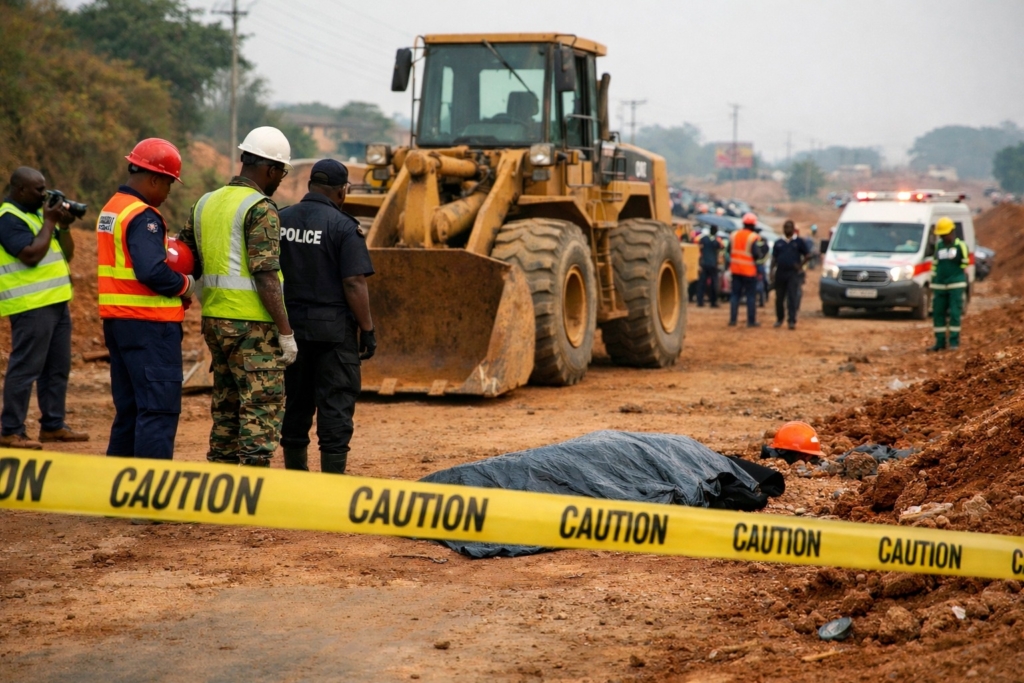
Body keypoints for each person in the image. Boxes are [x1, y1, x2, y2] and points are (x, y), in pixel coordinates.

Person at [178, 126, 298, 467]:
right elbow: (266, 274)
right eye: (281, 173)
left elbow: (186, 257)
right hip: (253, 326)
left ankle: (222, 476)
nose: (279, 180)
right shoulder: (260, 208)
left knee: (227, 403)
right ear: (271, 169)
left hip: (215, 322)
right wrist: (285, 332)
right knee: (262, 403)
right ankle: (253, 484)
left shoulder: (205, 203)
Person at [278, 160, 376, 474]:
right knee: (335, 405)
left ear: (310, 185)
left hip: (289, 330)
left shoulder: (280, 219)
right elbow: (354, 282)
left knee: (295, 404)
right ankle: (331, 484)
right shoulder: (343, 226)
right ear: (342, 190)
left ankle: (297, 481)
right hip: (334, 335)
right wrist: (368, 329)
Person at [98, 139, 194, 460]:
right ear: (154, 178)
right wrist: (185, 285)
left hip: (118, 323)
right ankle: (151, 498)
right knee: (158, 411)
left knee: (129, 410)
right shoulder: (144, 216)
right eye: (168, 184)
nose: (168, 193)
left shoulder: (112, 208)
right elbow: (151, 271)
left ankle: (119, 494)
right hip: (149, 327)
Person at [0, 167, 87, 449]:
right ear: (19, 190)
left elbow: (68, 253)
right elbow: (30, 256)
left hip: (56, 303)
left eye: (44, 188)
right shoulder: (8, 218)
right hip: (31, 306)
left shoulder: (37, 215)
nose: (44, 194)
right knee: (26, 368)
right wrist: (50, 222)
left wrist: (62, 225)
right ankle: (11, 430)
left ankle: (53, 425)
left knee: (57, 367)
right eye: (38, 189)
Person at [928, 216, 970, 352]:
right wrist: (934, 280)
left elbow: (965, 263)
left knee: (954, 313)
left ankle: (954, 342)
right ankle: (940, 342)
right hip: (939, 286)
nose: (943, 237)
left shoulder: (960, 245)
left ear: (951, 232)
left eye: (945, 234)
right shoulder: (939, 246)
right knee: (938, 314)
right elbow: (935, 265)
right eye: (941, 235)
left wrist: (957, 277)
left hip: (955, 285)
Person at [728, 212, 767, 328]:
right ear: (753, 225)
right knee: (751, 296)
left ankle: (732, 320)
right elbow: (756, 254)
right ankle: (751, 321)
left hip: (735, 269)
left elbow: (729, 250)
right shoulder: (753, 237)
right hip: (748, 271)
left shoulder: (734, 235)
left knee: (735, 295)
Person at [771, 220, 810, 329]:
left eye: (789, 227)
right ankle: (779, 319)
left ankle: (791, 320)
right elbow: (774, 258)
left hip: (793, 274)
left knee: (792, 297)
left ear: (793, 229)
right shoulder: (778, 242)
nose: (787, 229)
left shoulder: (798, 241)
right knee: (779, 298)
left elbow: (807, 255)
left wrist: (800, 265)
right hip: (780, 273)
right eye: (785, 227)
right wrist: (771, 272)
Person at [696, 225, 724, 307]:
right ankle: (713, 302)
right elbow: (721, 247)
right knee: (714, 283)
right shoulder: (717, 241)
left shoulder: (704, 239)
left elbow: (699, 245)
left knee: (702, 283)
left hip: (704, 263)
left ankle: (700, 301)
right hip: (713, 264)